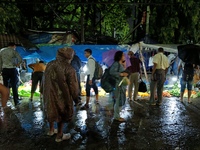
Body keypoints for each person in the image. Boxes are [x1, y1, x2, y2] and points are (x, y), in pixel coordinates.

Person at [42, 47, 79, 142]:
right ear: (69, 57)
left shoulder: (50, 64)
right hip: (62, 96)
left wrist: (42, 91)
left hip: (48, 94)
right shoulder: (69, 68)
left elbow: (44, 80)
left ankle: (51, 131)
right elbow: (73, 86)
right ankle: (59, 135)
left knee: (50, 110)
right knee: (61, 113)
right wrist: (76, 99)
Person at [110, 51, 129, 122]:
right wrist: (121, 74)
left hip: (121, 85)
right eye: (123, 55)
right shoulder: (116, 64)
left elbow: (123, 72)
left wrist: (124, 66)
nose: (124, 56)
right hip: (117, 85)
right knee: (118, 100)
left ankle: (117, 115)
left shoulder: (120, 64)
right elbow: (111, 72)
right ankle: (116, 117)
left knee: (120, 100)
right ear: (119, 56)